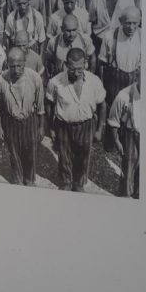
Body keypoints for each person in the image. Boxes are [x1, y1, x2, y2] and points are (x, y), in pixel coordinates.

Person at [45, 47, 106, 192]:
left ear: (85, 63)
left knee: (83, 156)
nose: (76, 73)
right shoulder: (55, 82)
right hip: (63, 126)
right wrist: (51, 127)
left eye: (80, 69)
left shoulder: (94, 81)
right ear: (66, 64)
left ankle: (78, 183)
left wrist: (100, 128)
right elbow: (49, 105)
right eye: (72, 69)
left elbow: (102, 105)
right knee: (64, 156)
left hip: (86, 126)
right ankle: (66, 181)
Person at [0, 47, 46, 186]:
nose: (16, 70)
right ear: (7, 65)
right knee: (13, 152)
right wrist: (0, 127)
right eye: (12, 66)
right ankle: (17, 178)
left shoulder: (35, 78)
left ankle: (29, 179)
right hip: (10, 122)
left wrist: (41, 127)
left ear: (25, 63)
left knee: (30, 152)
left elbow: (40, 106)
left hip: (29, 121)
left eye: (19, 66)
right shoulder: (1, 81)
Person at [107, 67, 141, 199]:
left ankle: (139, 193)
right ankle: (125, 195)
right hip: (131, 134)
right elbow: (113, 121)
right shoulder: (123, 96)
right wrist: (117, 141)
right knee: (129, 165)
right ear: (136, 78)